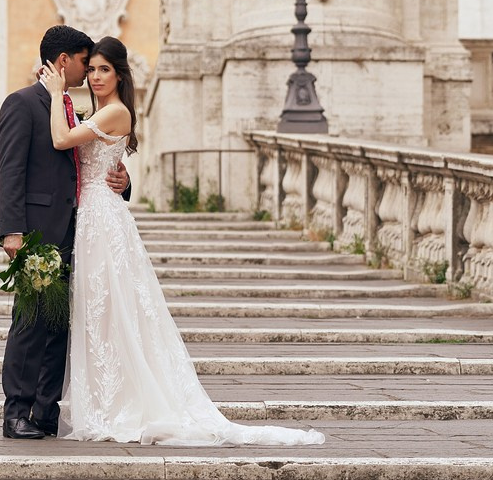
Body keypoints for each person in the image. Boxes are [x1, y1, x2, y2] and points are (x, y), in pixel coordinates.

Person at [41, 37, 325, 447]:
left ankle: (119, 404)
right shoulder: (101, 112)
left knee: (112, 307)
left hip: (103, 222)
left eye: (104, 69)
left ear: (120, 74)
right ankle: (107, 398)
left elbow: (61, 140)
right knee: (102, 311)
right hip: (93, 217)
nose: (95, 76)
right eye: (92, 69)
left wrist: (54, 93)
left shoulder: (115, 112)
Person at [0, 25, 130, 439]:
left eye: (98, 67)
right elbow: (11, 171)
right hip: (38, 230)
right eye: (84, 63)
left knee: (61, 322)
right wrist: (12, 231)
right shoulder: (21, 103)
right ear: (63, 61)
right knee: (31, 318)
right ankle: (16, 411)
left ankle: (45, 410)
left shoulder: (70, 106)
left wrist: (124, 182)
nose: (89, 72)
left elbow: (93, 160)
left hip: (82, 228)